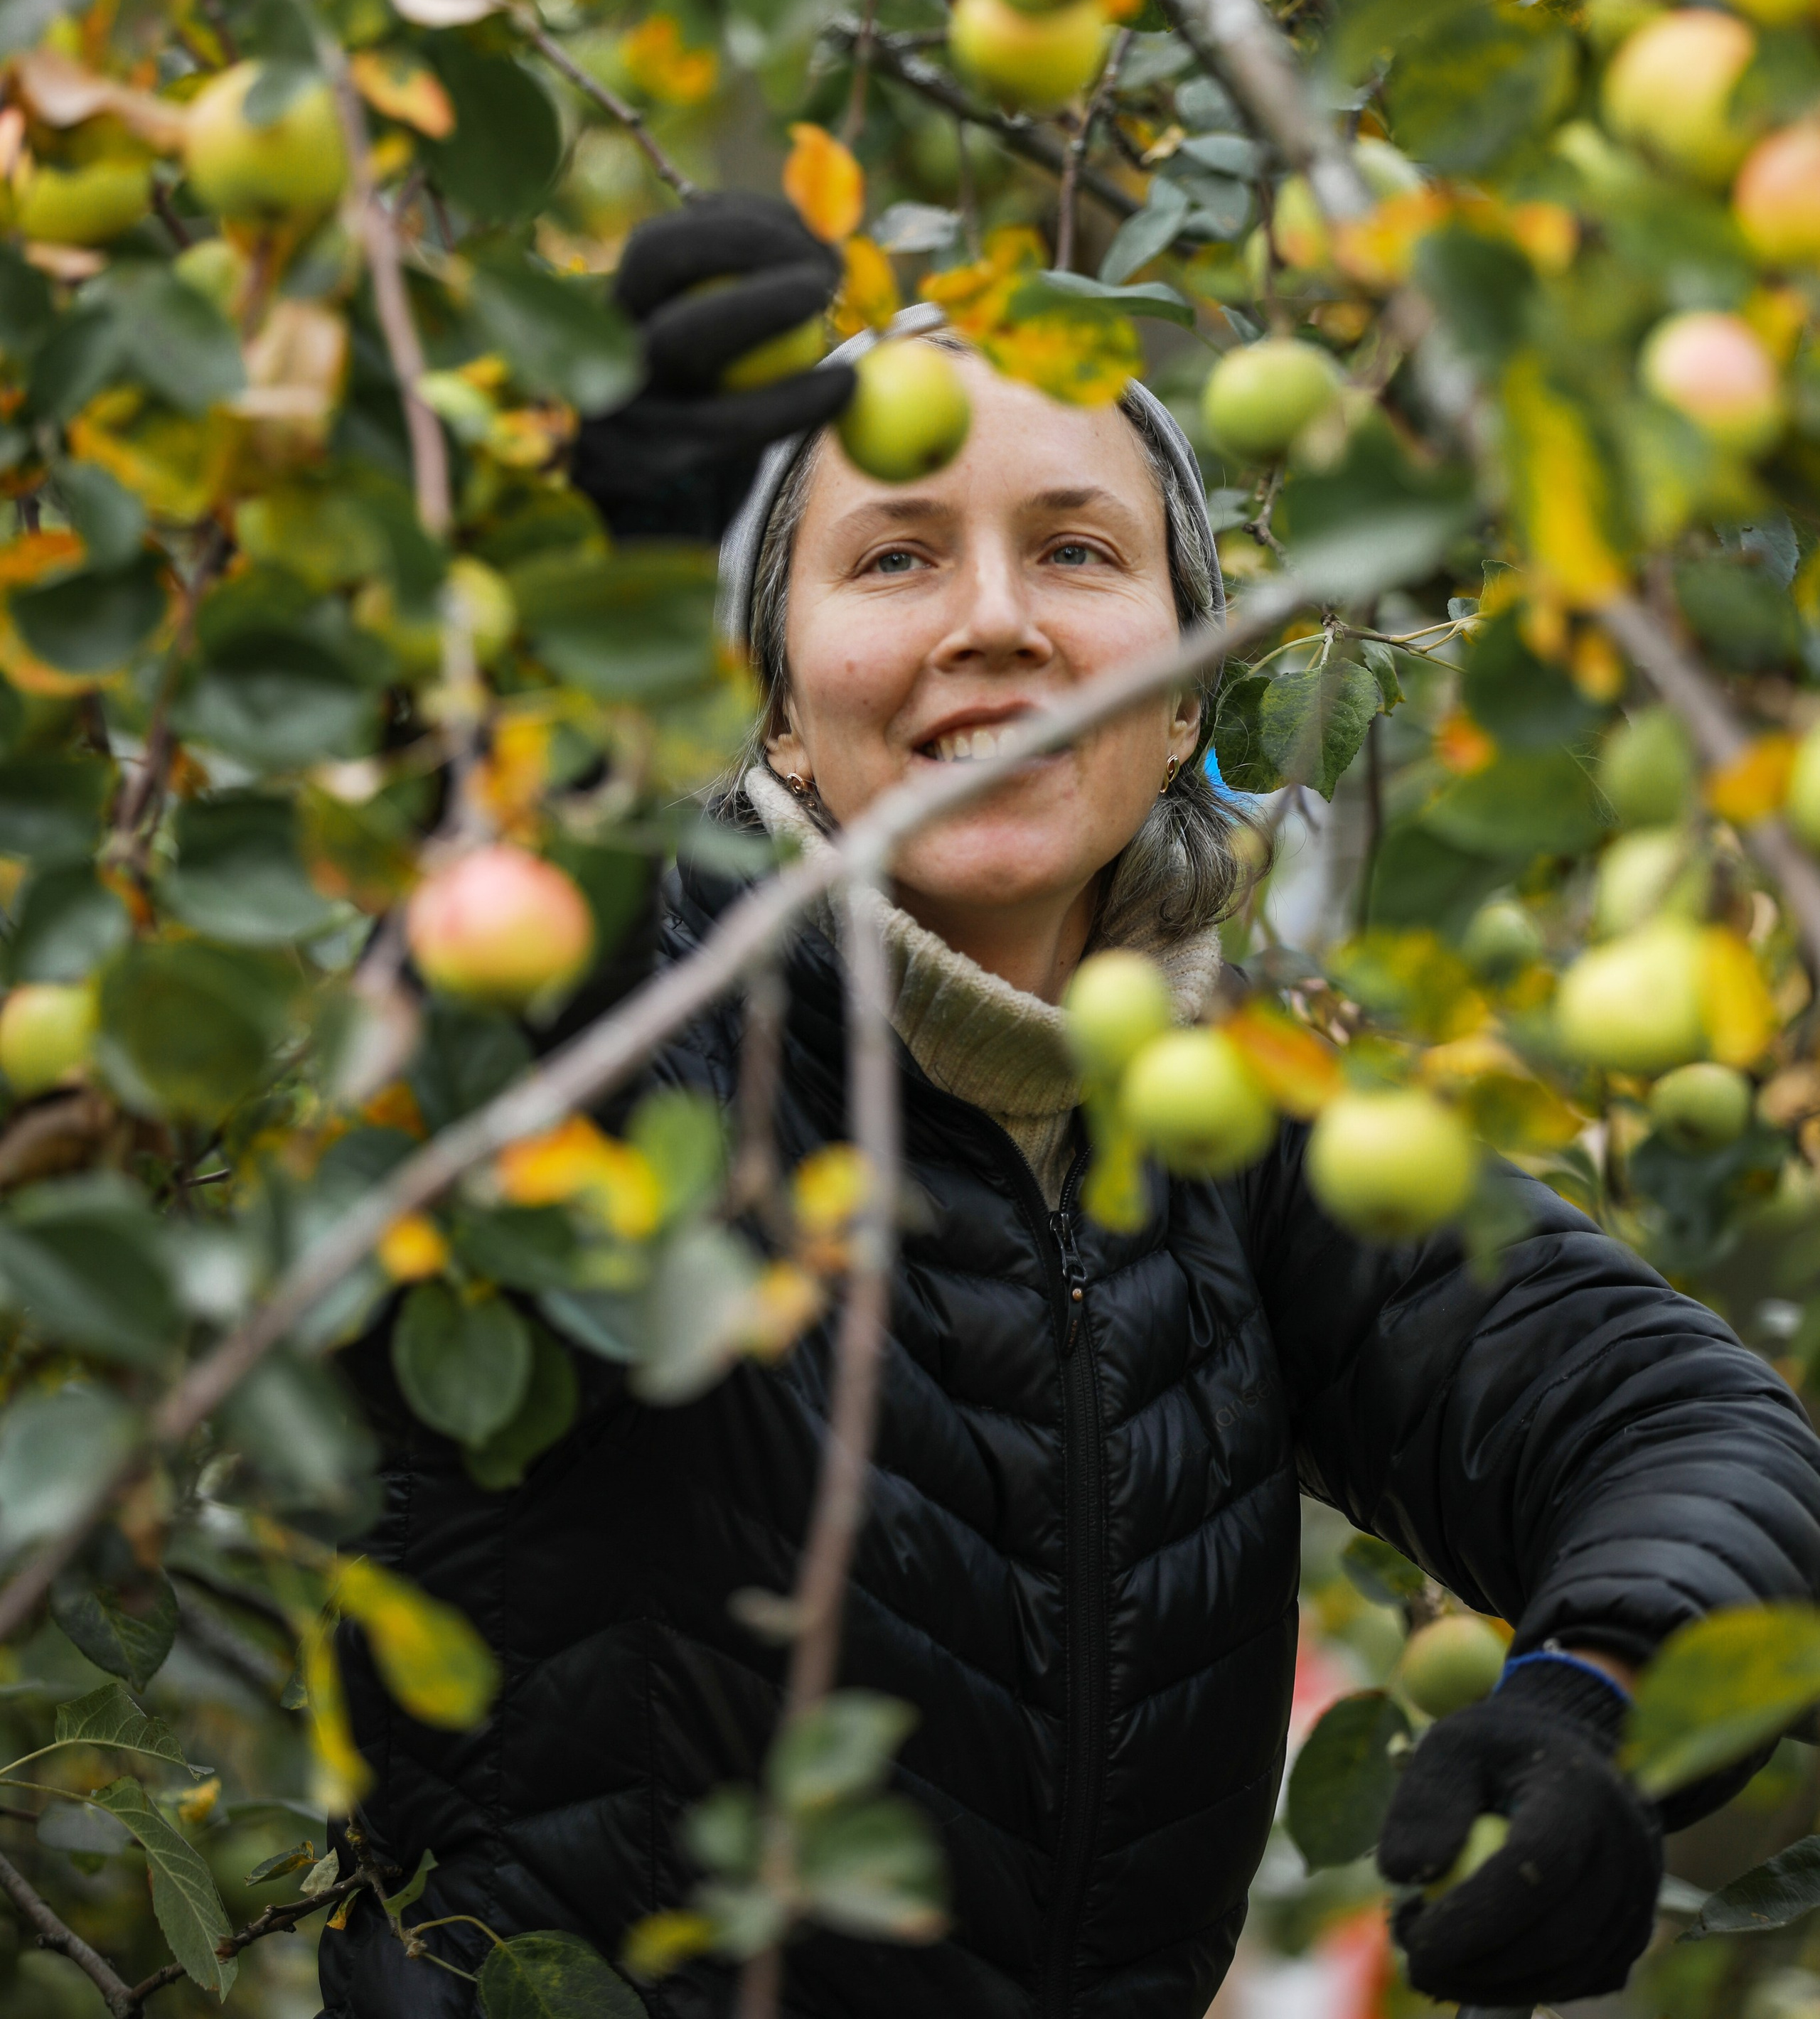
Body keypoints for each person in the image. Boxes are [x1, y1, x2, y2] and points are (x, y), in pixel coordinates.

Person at [319, 198, 1820, 2019]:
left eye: (1078, 552)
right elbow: (485, 1025)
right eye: (892, 561)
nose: (998, 624)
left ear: (1187, 688)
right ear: (774, 711)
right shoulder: (656, 1041)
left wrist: (1595, 1705)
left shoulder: (1212, 1137)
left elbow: (1667, 1418)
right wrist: (570, 626)